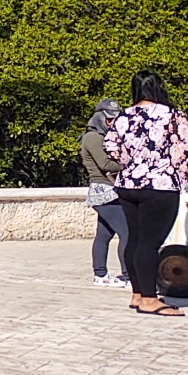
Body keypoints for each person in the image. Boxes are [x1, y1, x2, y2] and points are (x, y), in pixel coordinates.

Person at [102, 70, 188, 317]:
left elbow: (110, 146)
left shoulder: (123, 116)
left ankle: (137, 293)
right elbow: (186, 152)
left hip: (128, 184)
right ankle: (149, 299)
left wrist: (133, 163)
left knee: (134, 239)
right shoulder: (172, 116)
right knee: (150, 242)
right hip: (159, 185)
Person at [80, 99, 129, 287]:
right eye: (109, 120)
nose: (113, 123)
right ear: (99, 118)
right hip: (104, 191)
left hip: (110, 190)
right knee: (128, 233)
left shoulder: (105, 137)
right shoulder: (93, 138)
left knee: (104, 234)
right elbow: (105, 165)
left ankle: (100, 274)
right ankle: (128, 276)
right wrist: (131, 161)